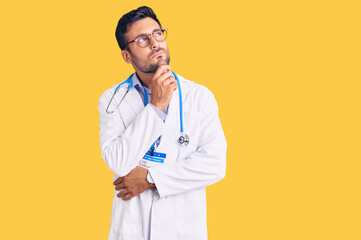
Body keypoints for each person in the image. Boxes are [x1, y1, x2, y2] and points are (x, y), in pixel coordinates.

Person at [98, 6, 227, 240]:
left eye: (158, 34)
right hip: (131, 229)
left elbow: (215, 164)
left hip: (183, 229)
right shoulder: (112, 99)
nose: (155, 43)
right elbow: (118, 161)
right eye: (142, 39)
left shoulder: (199, 96)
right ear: (127, 56)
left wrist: (150, 179)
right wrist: (155, 107)